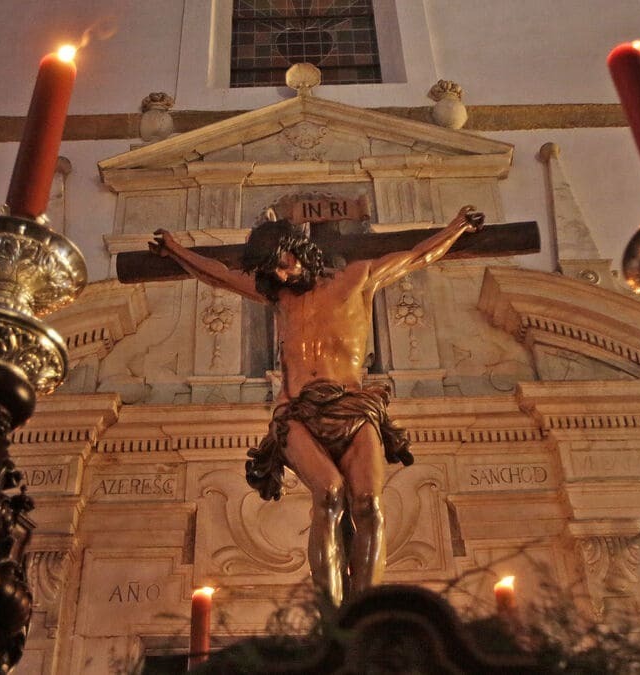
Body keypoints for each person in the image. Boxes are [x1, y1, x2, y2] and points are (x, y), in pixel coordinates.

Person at [150, 205, 484, 605]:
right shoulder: (279, 297)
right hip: (296, 413)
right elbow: (217, 275)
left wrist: (457, 227)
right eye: (272, 271)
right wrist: (174, 249)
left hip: (354, 408)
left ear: (300, 250)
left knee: (369, 505)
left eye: (283, 265)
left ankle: (363, 612)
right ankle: (331, 619)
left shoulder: (358, 278)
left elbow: (416, 256)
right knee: (328, 492)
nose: (280, 275)